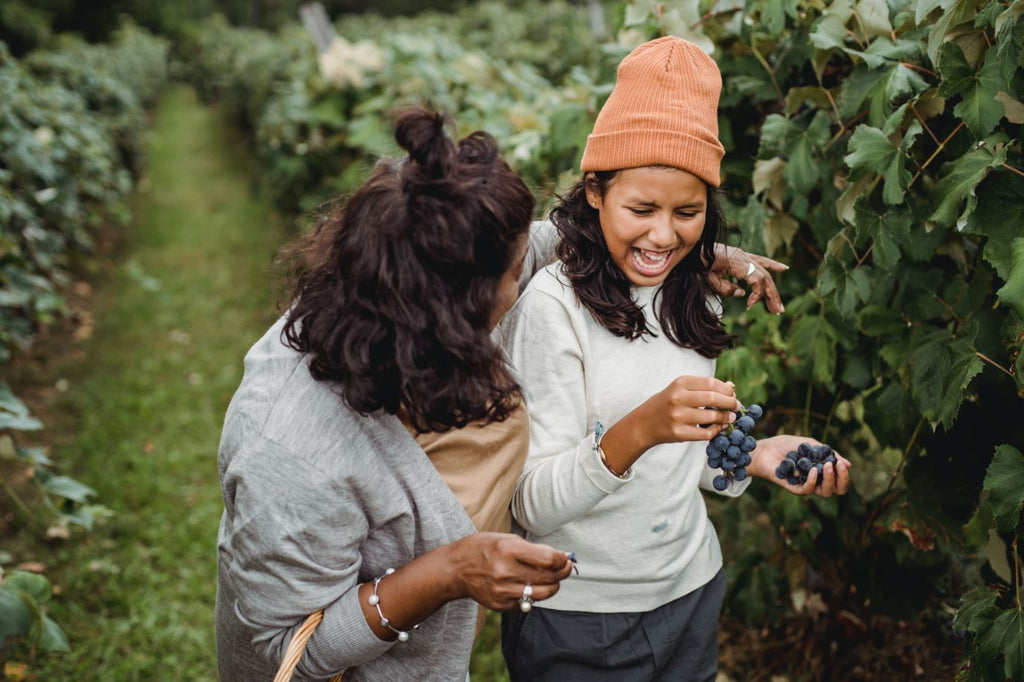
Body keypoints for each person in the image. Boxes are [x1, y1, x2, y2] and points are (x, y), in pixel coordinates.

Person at [498, 36, 852, 681]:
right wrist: (640, 429)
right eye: (642, 209)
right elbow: (528, 504)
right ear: (596, 192)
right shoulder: (553, 309)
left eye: (688, 213)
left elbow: (680, 462)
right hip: (579, 616)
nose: (664, 236)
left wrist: (753, 455)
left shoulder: (694, 296)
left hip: (690, 590)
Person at [214, 109, 574, 682]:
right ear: (449, 311)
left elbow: (533, 247)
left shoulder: (388, 292)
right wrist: (451, 571)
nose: (523, 277)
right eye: (512, 274)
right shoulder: (291, 451)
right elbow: (291, 653)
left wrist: (686, 262)